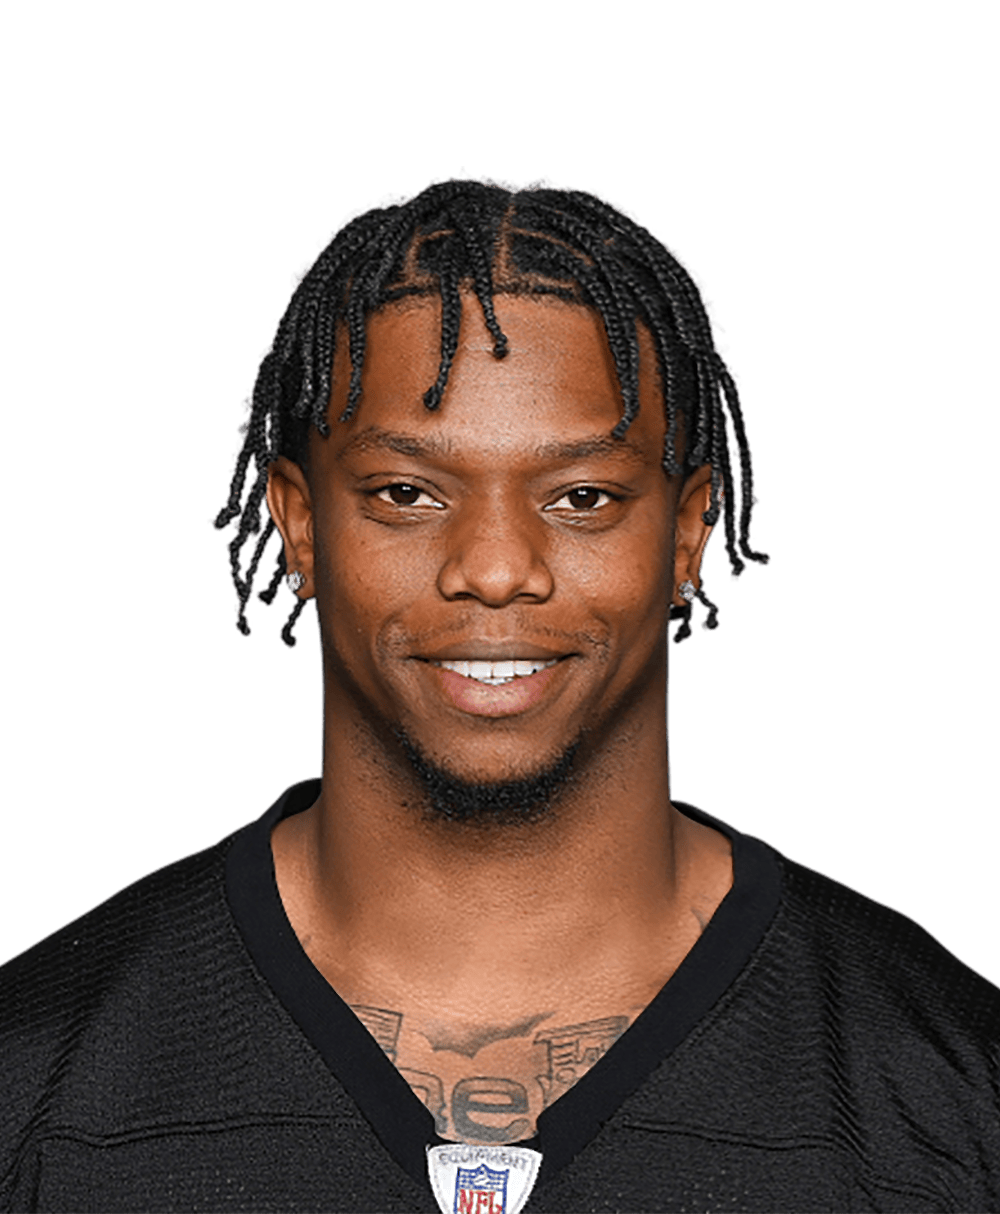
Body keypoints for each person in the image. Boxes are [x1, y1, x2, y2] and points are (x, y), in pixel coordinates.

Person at [2, 172, 997, 1214]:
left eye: (581, 496)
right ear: (300, 526)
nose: (493, 566)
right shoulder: (38, 1076)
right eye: (405, 492)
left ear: (687, 535)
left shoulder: (945, 1087)